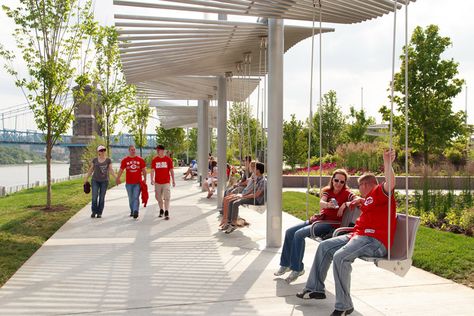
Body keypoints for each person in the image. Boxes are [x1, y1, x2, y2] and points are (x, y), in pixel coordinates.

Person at [296, 150, 397, 316]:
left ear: (366, 185)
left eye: (360, 186)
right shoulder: (369, 199)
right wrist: (356, 201)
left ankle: (344, 306)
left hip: (374, 240)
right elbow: (365, 204)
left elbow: (390, 182)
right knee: (325, 246)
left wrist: (387, 162)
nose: (359, 189)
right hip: (358, 236)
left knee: (340, 257)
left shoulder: (381, 192)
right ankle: (316, 288)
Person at [274, 169, 356, 283]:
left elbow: (358, 200)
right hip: (318, 219)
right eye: (336, 180)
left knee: (298, 235)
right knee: (289, 232)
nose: (338, 184)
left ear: (345, 183)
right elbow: (321, 202)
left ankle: (297, 268)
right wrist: (327, 205)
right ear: (332, 180)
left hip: (330, 224)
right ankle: (285, 264)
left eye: (342, 182)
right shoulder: (328, 191)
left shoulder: (347, 194)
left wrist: (345, 204)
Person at [222, 162, 266, 234]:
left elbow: (256, 195)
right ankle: (229, 222)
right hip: (252, 197)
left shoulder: (263, 181)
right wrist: (242, 195)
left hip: (257, 200)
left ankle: (233, 224)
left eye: (254, 168)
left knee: (236, 202)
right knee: (231, 200)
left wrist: (243, 196)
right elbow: (252, 190)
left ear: (258, 170)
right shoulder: (257, 179)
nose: (253, 169)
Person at [84, 145, 117, 218]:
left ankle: (99, 213)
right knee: (94, 196)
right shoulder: (95, 160)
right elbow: (91, 169)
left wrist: (116, 178)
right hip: (95, 180)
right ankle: (94, 211)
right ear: (98, 152)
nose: (103, 152)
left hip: (104, 181)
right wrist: (86, 178)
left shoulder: (108, 160)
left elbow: (111, 170)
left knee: (102, 197)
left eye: (104, 150)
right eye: (101, 150)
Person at [116, 145, 147, 219]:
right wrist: (117, 178)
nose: (133, 151)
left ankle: (136, 211)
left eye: (134, 150)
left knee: (136, 197)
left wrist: (145, 179)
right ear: (129, 151)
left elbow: (144, 170)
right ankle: (132, 211)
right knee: (131, 198)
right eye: (131, 150)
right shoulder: (125, 160)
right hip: (129, 183)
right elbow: (121, 170)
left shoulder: (140, 160)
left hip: (138, 183)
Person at [151, 144, 176, 220]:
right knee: (158, 197)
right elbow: (152, 170)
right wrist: (152, 179)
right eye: (157, 150)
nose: (157, 151)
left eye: (158, 150)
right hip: (158, 182)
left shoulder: (168, 160)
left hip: (166, 182)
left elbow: (171, 170)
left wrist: (173, 180)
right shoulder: (154, 160)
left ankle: (166, 211)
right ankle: (161, 209)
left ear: (162, 151)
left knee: (167, 197)